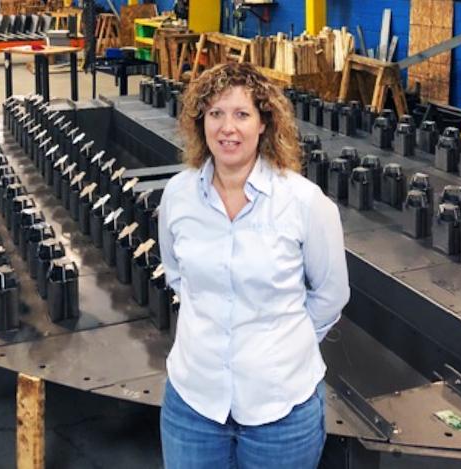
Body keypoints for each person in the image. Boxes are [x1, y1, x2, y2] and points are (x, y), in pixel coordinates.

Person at [158, 62, 350, 469]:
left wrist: (283, 345)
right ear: (201, 122)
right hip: (194, 404)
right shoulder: (178, 196)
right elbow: (177, 276)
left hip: (281, 412)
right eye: (216, 114)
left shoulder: (303, 202)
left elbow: (331, 294)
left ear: (264, 123)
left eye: (242, 114)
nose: (228, 128)